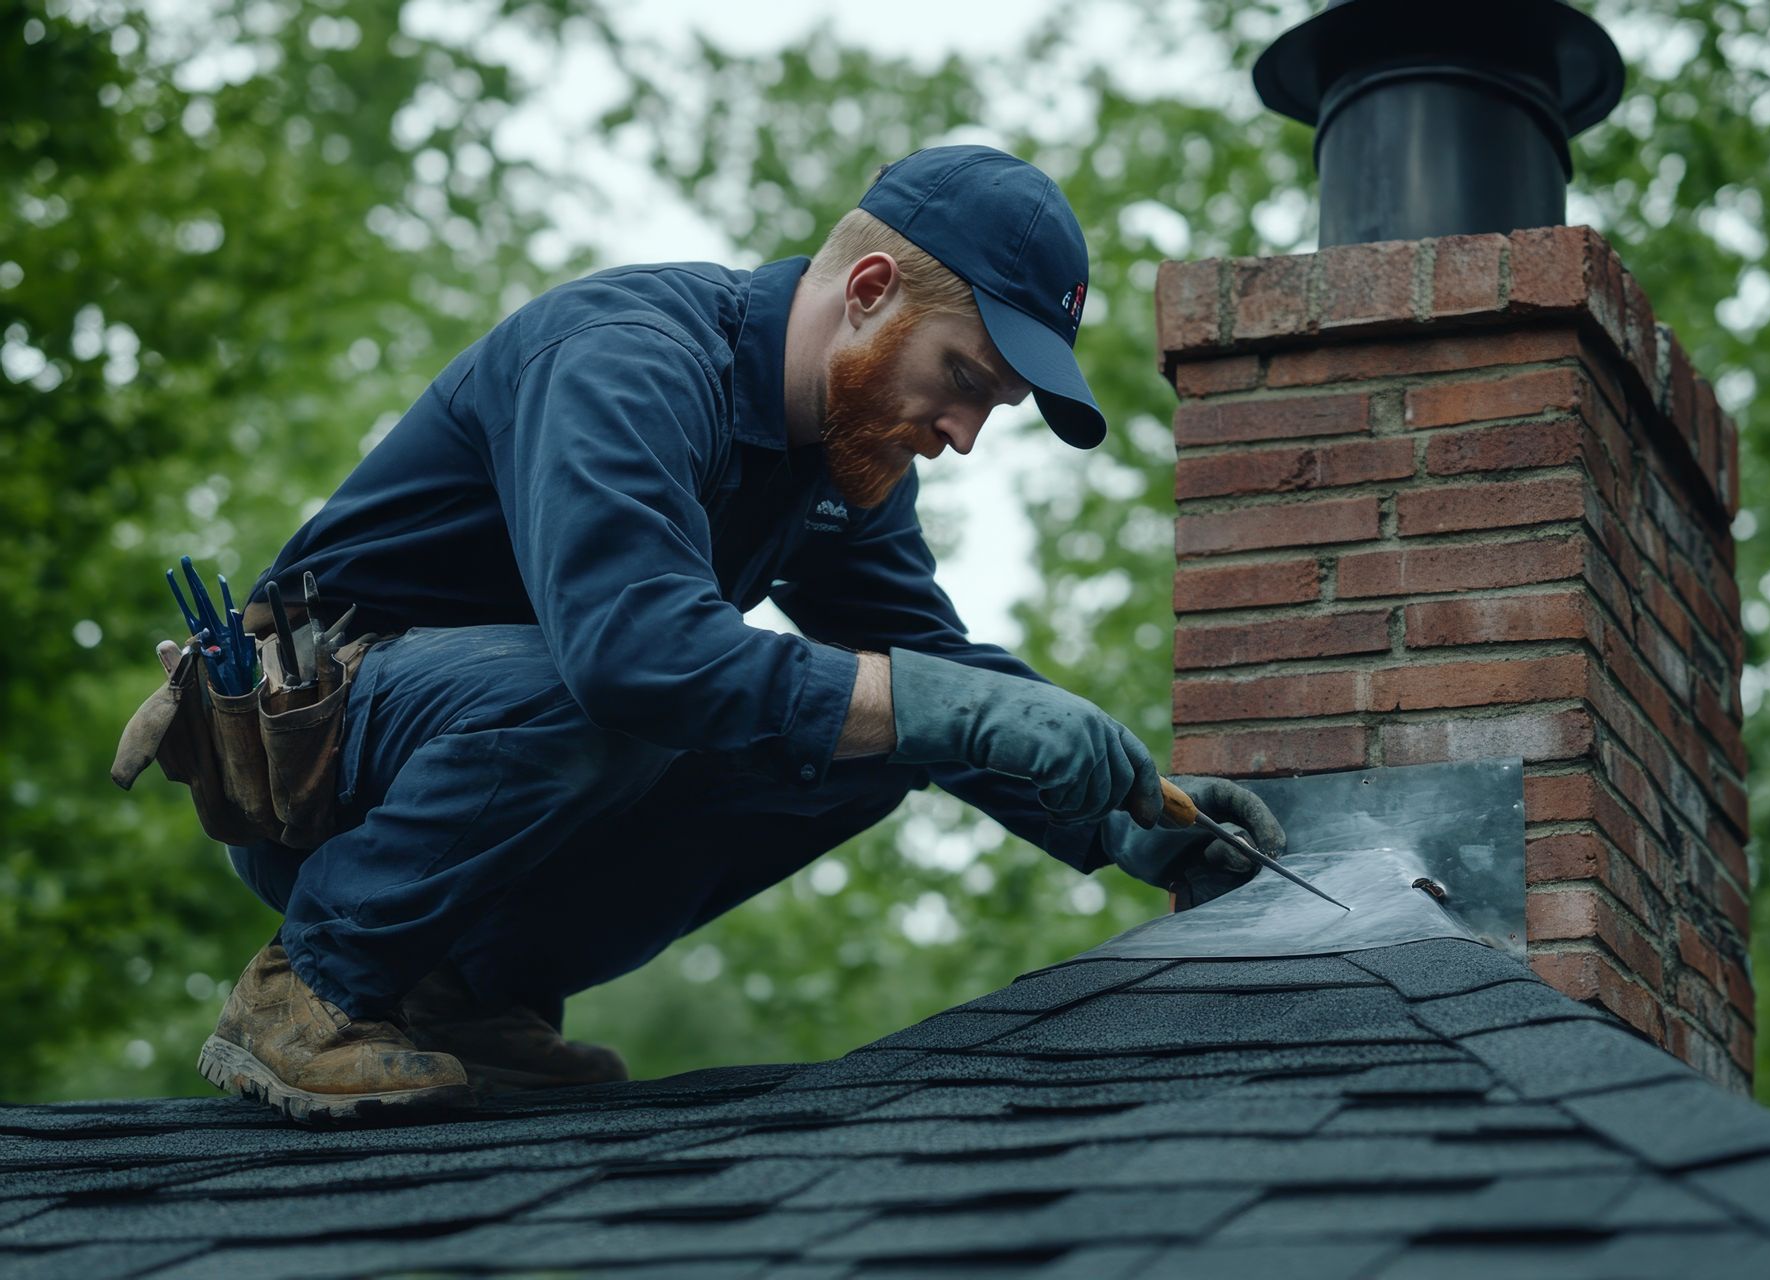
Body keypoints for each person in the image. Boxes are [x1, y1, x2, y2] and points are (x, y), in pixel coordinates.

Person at [205, 145, 1285, 1123]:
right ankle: (312, 982)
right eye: (964, 377)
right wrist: (942, 705)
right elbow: (635, 653)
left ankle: (464, 997)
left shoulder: (846, 463)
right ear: (868, 292)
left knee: (886, 736)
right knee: (633, 685)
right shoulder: (628, 359)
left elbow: (935, 671)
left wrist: (1122, 818)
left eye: (992, 407)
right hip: (323, 770)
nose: (963, 434)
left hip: (513, 740)